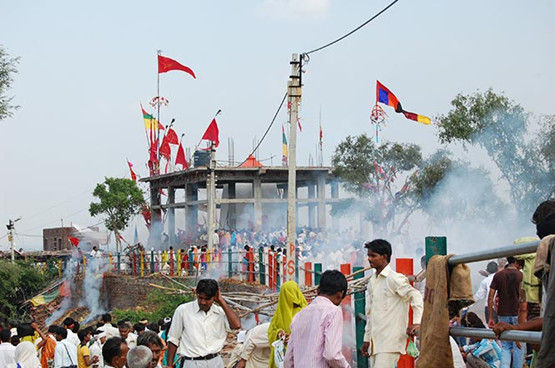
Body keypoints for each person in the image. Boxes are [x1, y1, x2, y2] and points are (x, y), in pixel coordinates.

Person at [361, 239, 423, 368]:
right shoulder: (373, 281)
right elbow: (370, 313)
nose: (369, 259)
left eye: (373, 256)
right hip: (375, 343)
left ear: (384, 257)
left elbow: (415, 296)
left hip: (390, 342)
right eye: (368, 255)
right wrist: (367, 340)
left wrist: (417, 322)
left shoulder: (394, 278)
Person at [165, 279, 241, 367]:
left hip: (215, 362)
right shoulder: (183, 310)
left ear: (215, 297)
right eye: (200, 298)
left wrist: (221, 301)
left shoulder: (220, 312)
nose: (203, 302)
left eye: (207, 299)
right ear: (197, 294)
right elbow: (173, 339)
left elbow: (236, 326)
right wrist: (169, 365)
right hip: (192, 363)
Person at [284, 270, 350, 367]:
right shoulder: (333, 311)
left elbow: (288, 360)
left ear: (318, 290)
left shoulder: (299, 315)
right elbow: (332, 355)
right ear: (340, 294)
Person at [488, 256, 526, 367]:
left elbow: (490, 298)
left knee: (505, 346)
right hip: (517, 314)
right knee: (518, 345)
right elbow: (523, 299)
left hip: (502, 314)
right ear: (516, 262)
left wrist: (491, 317)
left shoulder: (498, 275)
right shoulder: (521, 275)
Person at [267, 281, 307, 368]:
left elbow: (311, 335)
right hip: (281, 358)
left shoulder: (305, 312)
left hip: (299, 358)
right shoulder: (279, 313)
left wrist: (293, 338)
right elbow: (271, 332)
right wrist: (279, 333)